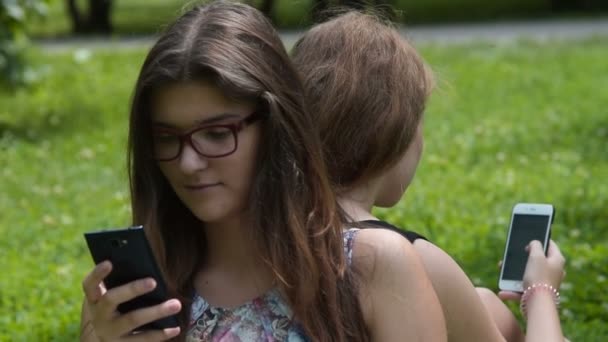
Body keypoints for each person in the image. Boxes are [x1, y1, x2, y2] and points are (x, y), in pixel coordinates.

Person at [79, 2, 447, 341]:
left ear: (276, 124)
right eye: (166, 138)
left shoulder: (370, 265)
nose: (188, 163)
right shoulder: (132, 295)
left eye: (217, 134)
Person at [291, 11, 566, 342]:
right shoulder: (410, 259)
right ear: (395, 131)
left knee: (486, 304)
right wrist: (540, 292)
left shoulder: (264, 230)